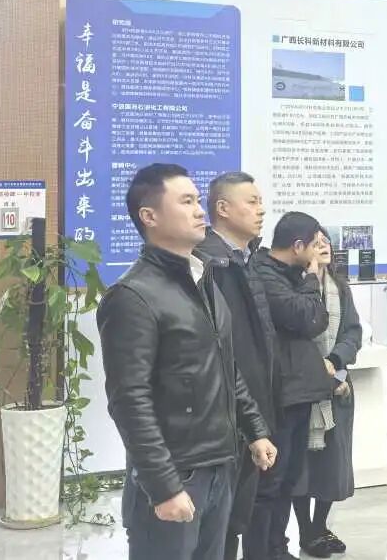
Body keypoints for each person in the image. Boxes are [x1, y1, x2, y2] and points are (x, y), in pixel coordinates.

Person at [98, 163, 277, 560]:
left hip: (220, 465)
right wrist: (163, 486)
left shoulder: (204, 279)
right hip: (176, 473)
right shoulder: (133, 296)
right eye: (186, 201)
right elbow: (129, 400)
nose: (199, 210)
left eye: (197, 200)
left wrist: (255, 429)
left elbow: (226, 366)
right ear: (149, 216)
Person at [195, 172, 282, 560]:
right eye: (252, 201)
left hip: (255, 408)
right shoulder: (208, 263)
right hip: (226, 414)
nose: (261, 210)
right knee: (221, 523)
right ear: (223, 208)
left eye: (261, 201)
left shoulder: (249, 259)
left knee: (243, 513)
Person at [246, 212, 333, 560]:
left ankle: (278, 547)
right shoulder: (263, 273)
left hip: (300, 392)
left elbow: (318, 319)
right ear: (298, 246)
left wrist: (309, 284)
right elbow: (303, 316)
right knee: (270, 482)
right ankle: (262, 552)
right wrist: (312, 279)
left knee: (288, 480)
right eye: (315, 244)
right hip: (277, 394)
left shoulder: (294, 276)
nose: (318, 252)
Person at [292, 227, 362, 558]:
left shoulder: (340, 287)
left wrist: (336, 362)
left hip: (339, 389)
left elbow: (352, 332)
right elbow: (295, 339)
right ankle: (306, 530)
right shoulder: (294, 288)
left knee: (333, 466)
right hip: (304, 392)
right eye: (315, 243)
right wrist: (322, 373)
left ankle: (320, 526)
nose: (323, 248)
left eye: (326, 243)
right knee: (302, 469)